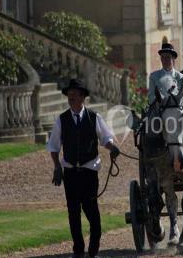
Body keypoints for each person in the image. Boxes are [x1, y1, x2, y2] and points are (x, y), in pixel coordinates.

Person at [47, 79, 120, 258]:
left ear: (82, 97)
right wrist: (57, 167)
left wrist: (113, 148)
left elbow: (105, 138)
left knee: (92, 212)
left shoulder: (94, 118)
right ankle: (78, 250)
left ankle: (93, 250)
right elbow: (54, 146)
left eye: (74, 94)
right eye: (69, 94)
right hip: (71, 172)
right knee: (73, 213)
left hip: (89, 172)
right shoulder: (62, 119)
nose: (71, 97)